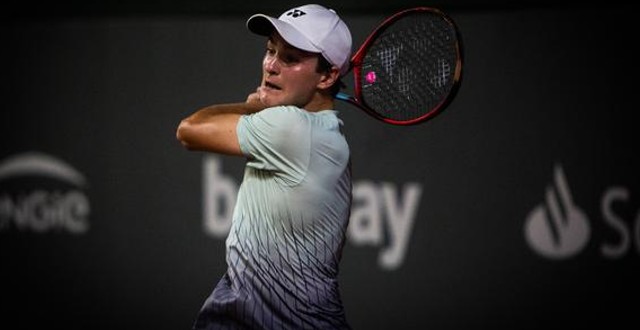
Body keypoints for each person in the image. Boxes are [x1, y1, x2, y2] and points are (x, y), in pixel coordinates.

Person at [176, 4, 353, 329]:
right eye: (270, 50)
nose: (271, 66)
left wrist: (252, 106)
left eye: (290, 59)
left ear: (327, 76)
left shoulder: (292, 128)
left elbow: (188, 130)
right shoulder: (324, 133)